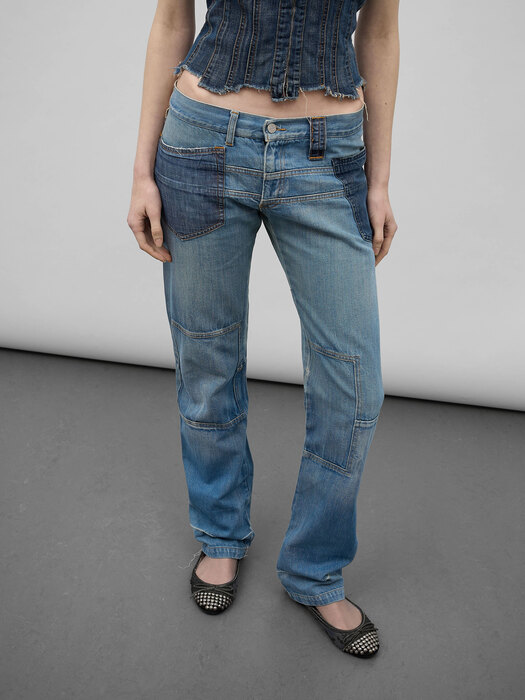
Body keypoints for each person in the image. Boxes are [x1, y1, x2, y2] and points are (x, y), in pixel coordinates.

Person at [127, 0, 399, 657]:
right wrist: (140, 171)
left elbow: (382, 32)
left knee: (354, 386)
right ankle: (219, 535)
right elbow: (172, 22)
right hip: (202, 141)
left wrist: (379, 180)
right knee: (206, 361)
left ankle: (315, 568)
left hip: (328, 154)